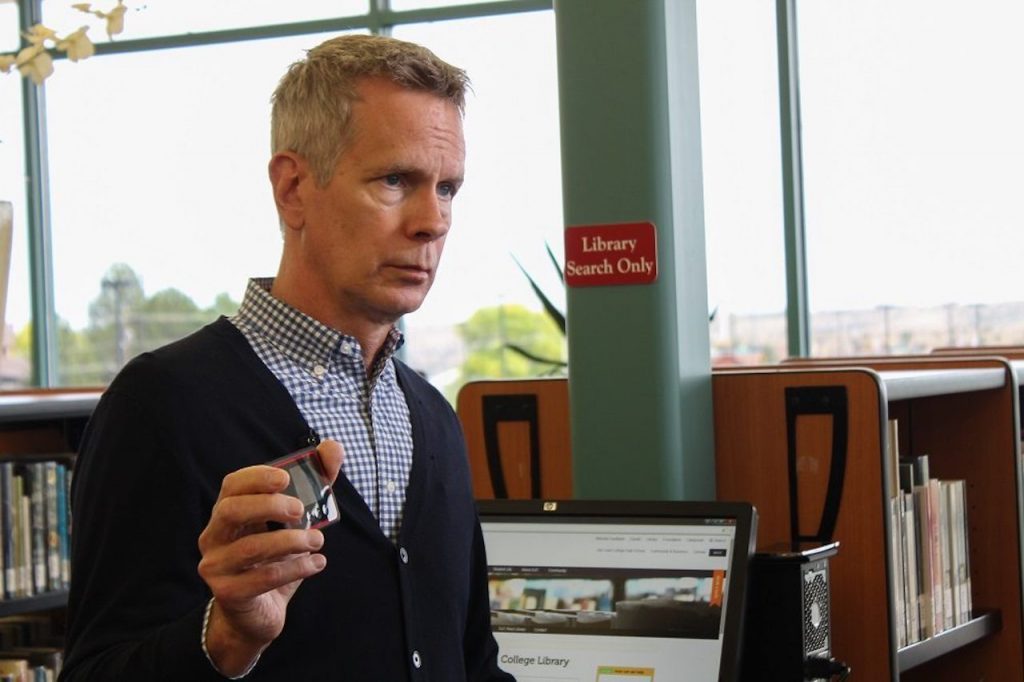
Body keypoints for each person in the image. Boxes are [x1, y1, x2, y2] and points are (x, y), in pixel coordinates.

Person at [60, 34, 515, 681]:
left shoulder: (434, 418)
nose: (432, 221)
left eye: (447, 189)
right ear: (293, 187)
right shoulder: (163, 404)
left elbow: (473, 664)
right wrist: (223, 640)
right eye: (395, 180)